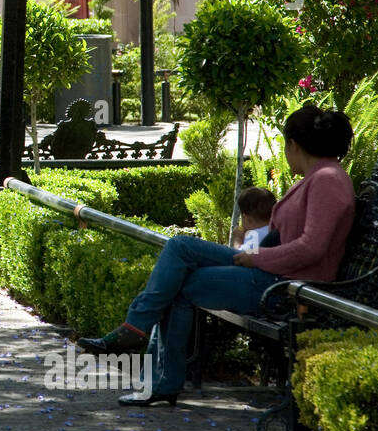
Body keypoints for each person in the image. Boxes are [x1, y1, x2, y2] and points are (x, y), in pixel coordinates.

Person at [77, 103, 357, 406]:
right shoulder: (318, 177)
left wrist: (256, 258)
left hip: (287, 288)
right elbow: (279, 237)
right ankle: (140, 341)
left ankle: (147, 353)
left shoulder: (327, 180)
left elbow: (311, 247)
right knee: (181, 246)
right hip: (273, 273)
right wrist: (247, 249)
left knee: (180, 284)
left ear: (294, 143)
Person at [232, 187, 275, 253]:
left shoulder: (254, 235)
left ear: (246, 218)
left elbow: (239, 258)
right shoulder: (277, 230)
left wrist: (237, 239)